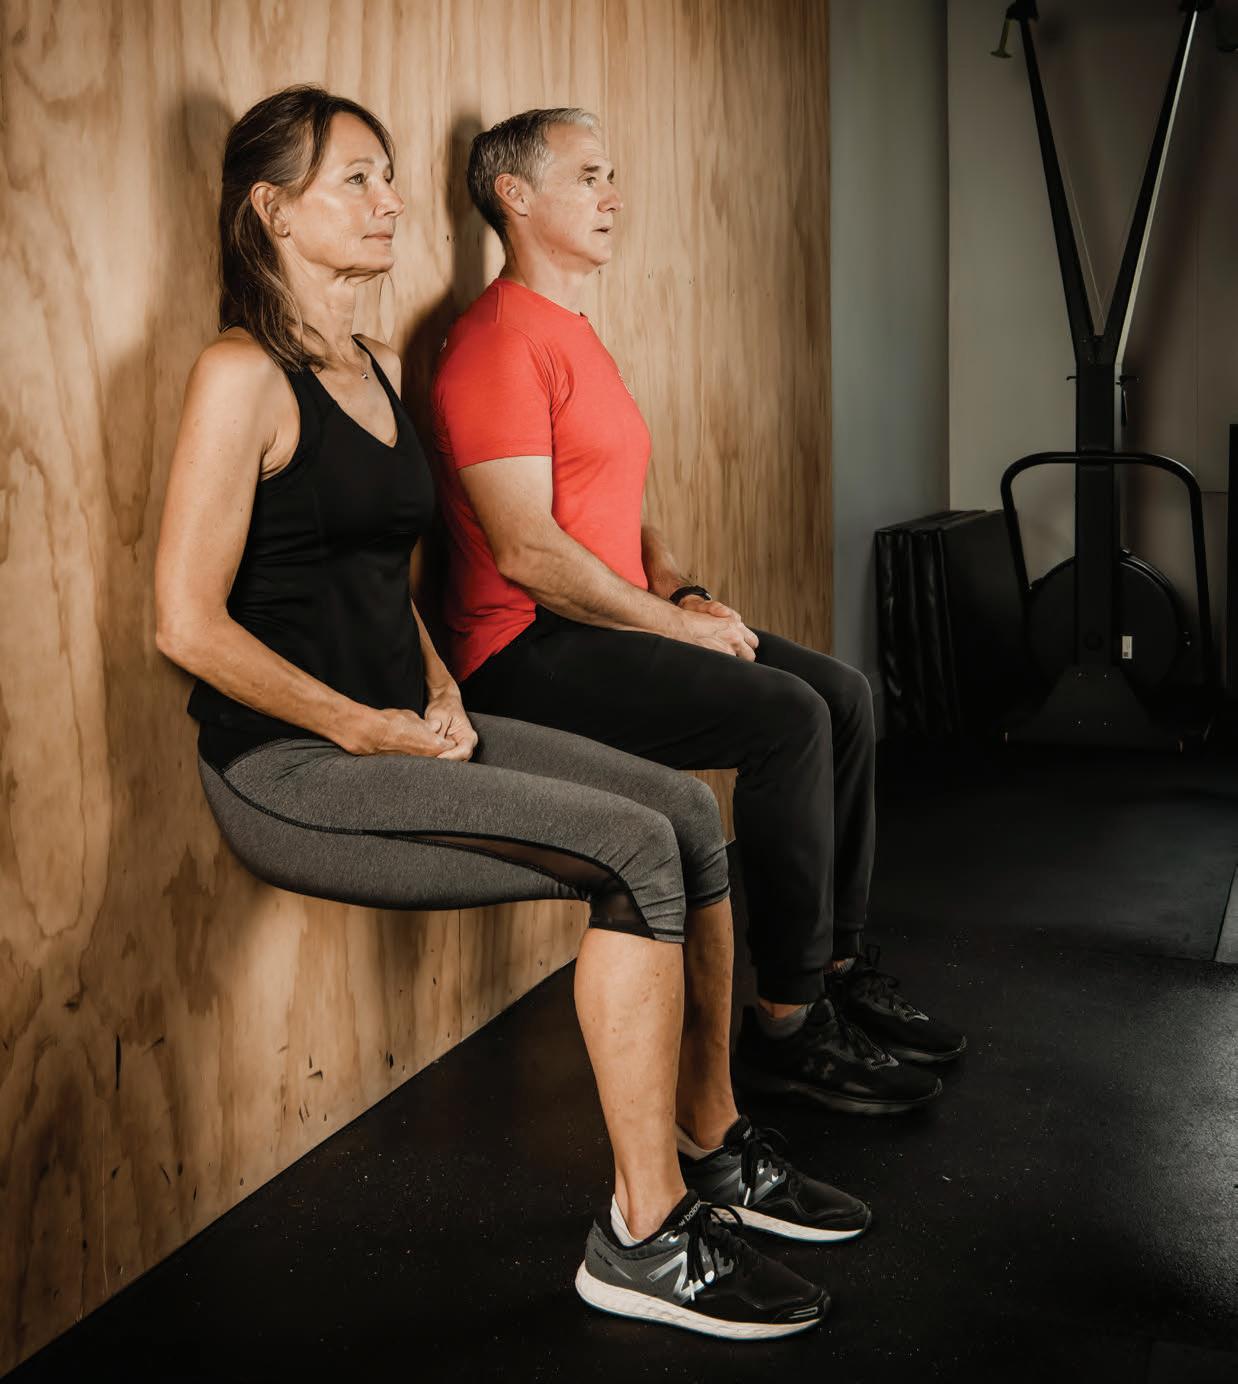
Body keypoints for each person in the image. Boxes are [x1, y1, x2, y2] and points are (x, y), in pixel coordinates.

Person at [154, 85, 871, 1342]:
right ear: (271, 210)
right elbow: (186, 624)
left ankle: (709, 1144)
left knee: (680, 815)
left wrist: (434, 685)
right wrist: (358, 725)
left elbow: (390, 587)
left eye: (389, 175)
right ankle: (641, 1236)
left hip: (404, 725)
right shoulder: (239, 374)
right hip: (290, 766)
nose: (390, 202)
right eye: (356, 179)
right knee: (636, 848)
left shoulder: (376, 369)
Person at [432, 109, 967, 1119]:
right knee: (786, 717)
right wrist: (673, 628)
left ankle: (833, 965)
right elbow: (527, 553)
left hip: (601, 621)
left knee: (843, 696)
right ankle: (787, 1023)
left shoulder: (572, 332)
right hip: (521, 647)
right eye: (589, 175)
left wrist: (678, 587)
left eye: (612, 175)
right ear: (514, 194)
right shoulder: (494, 344)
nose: (613, 196)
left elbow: (621, 506)